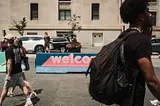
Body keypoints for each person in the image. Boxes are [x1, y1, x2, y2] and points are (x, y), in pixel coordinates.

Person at [119, 0, 160, 106]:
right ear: (141, 16)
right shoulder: (140, 41)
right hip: (132, 101)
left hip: (121, 99)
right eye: (147, 11)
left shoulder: (123, 36)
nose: (150, 14)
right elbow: (151, 81)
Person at [0, 35, 33, 106]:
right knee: (22, 86)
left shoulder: (8, 50)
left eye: (5, 39)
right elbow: (16, 58)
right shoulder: (17, 48)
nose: (4, 40)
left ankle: (0, 102)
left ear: (8, 40)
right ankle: (29, 100)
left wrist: (8, 74)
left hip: (12, 72)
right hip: (19, 70)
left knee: (5, 88)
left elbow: (10, 62)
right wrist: (5, 62)